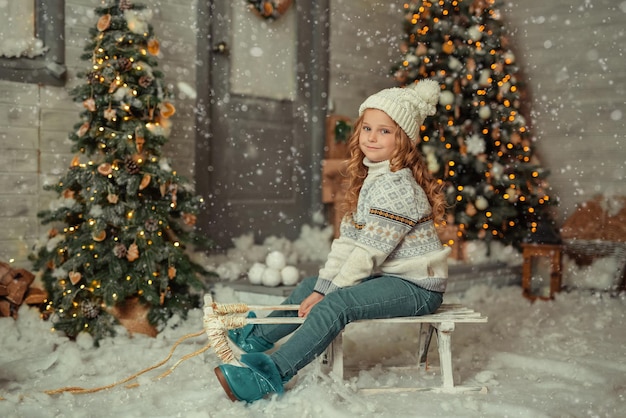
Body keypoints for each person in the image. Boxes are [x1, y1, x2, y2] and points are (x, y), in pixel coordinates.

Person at [214, 79, 451, 403]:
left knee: (336, 303)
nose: (372, 136)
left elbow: (368, 253)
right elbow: (348, 243)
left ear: (404, 140)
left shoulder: (397, 187)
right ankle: (258, 337)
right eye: (367, 127)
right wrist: (323, 284)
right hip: (390, 275)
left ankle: (268, 375)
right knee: (313, 285)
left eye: (385, 131)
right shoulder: (372, 179)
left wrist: (332, 292)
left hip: (417, 287)